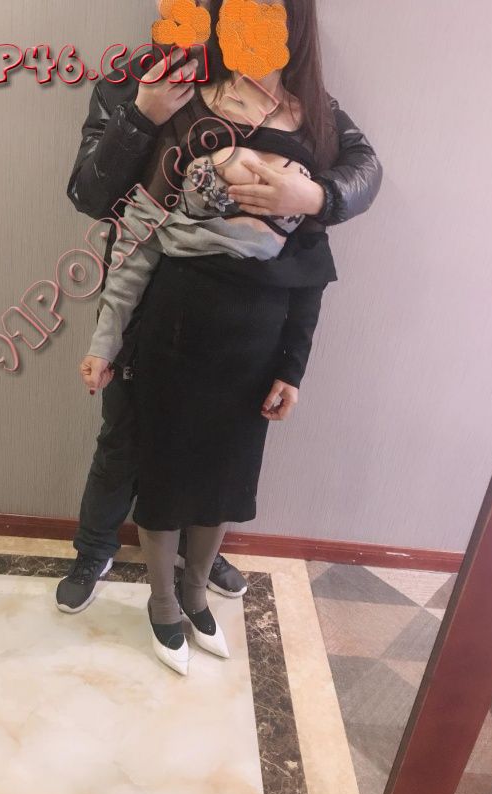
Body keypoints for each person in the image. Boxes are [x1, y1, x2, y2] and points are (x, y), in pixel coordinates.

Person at [69, 0, 383, 675]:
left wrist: (316, 198)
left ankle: (195, 573)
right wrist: (141, 115)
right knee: (131, 443)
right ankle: (100, 555)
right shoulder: (155, 78)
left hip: (251, 332)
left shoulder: (309, 113)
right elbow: (101, 202)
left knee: (222, 464)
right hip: (162, 313)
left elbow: (358, 182)